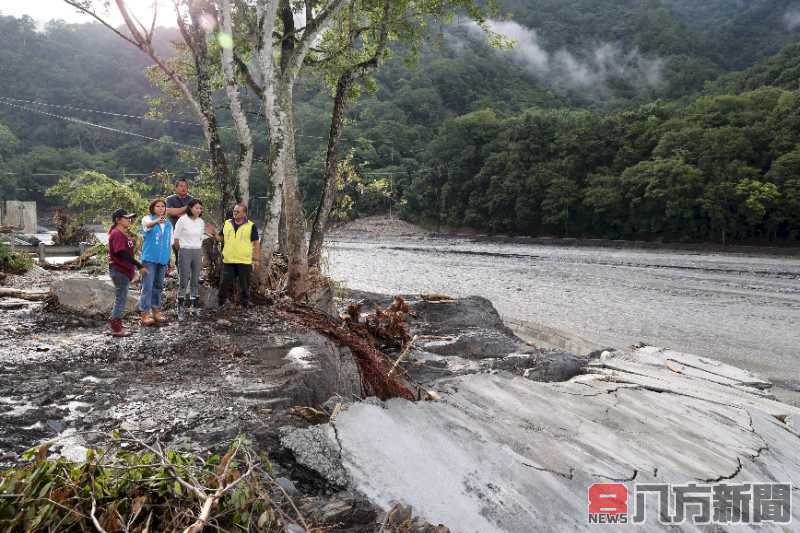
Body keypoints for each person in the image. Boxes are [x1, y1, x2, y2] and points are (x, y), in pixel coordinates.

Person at [107, 209, 147, 337]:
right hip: (119, 271)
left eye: (130, 218)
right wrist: (138, 265)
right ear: (118, 220)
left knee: (121, 298)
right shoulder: (117, 233)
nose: (129, 220)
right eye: (126, 218)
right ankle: (116, 328)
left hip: (123, 271)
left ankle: (117, 323)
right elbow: (121, 253)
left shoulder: (122, 233)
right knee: (121, 299)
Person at [173, 199, 215, 319]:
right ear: (190, 208)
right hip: (185, 250)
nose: (199, 210)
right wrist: (181, 251)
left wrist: (212, 233)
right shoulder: (182, 220)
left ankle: (194, 306)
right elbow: (176, 239)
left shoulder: (201, 222)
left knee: (195, 279)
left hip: (197, 251)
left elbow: (201, 237)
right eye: (196, 208)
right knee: (184, 280)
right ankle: (180, 307)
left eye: (200, 208)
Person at [216, 204, 260, 309]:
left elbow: (256, 243)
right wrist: (213, 233)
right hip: (228, 260)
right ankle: (220, 303)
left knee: (244, 285)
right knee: (224, 283)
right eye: (234, 211)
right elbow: (220, 238)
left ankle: (244, 304)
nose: (235, 213)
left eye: (238, 211)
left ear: (244, 213)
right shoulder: (227, 223)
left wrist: (256, 260)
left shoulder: (251, 226)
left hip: (244, 260)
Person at [139, 198, 174, 325]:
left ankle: (156, 311)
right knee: (147, 286)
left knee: (158, 286)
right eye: (158, 206)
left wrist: (169, 260)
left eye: (163, 206)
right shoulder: (147, 219)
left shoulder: (169, 224)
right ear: (153, 208)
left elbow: (170, 242)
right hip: (149, 259)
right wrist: (156, 221)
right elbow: (147, 226)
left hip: (163, 259)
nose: (161, 208)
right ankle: (144, 314)